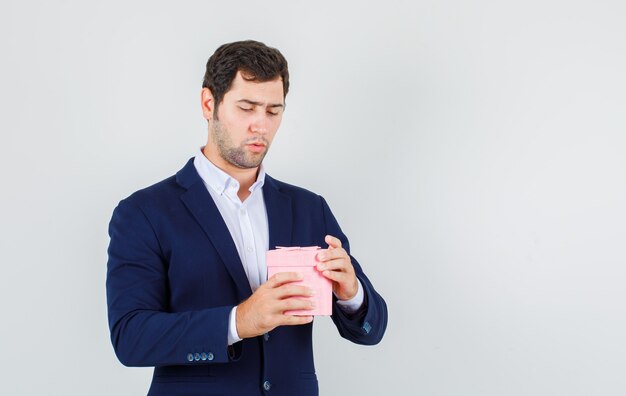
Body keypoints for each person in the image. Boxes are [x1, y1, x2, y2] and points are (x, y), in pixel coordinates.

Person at [106, 40, 388, 396]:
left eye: (273, 111)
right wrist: (238, 321)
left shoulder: (309, 208)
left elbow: (371, 330)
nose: (261, 126)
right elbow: (131, 338)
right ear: (209, 104)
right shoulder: (144, 213)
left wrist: (352, 295)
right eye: (247, 107)